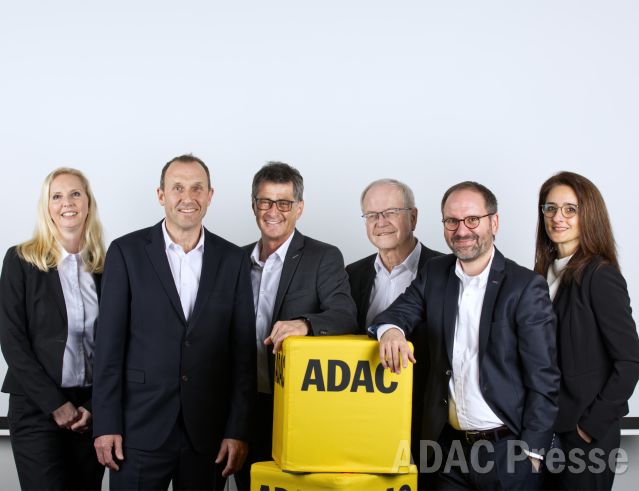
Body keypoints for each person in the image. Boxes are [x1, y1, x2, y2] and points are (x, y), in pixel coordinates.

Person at [370, 181, 560, 490]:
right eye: (452, 221)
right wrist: (391, 331)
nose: (461, 230)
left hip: (508, 451)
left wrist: (533, 453)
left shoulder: (524, 286)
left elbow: (544, 376)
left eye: (472, 219)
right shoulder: (435, 273)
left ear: (494, 222)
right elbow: (397, 313)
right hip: (449, 454)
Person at [92, 154, 256, 491]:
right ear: (161, 195)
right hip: (138, 428)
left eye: (197, 188)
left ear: (210, 195)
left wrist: (237, 429)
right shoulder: (126, 252)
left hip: (208, 433)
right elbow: (108, 347)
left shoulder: (233, 259)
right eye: (177, 187)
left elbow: (243, 354)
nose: (187, 197)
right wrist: (106, 423)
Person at [234, 161, 357, 490]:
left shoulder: (322, 257)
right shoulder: (234, 260)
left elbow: (346, 314)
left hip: (297, 409)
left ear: (299, 208)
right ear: (254, 206)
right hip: (241, 408)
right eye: (265, 201)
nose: (274, 211)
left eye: (284, 203)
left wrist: (305, 324)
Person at [0, 167, 106, 490]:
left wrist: (93, 406)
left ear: (88, 203)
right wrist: (55, 404)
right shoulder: (21, 261)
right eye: (56, 196)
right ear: (47, 206)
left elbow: (118, 344)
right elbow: (13, 341)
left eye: (75, 194)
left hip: (90, 411)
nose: (67, 203)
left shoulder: (106, 267)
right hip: (37, 407)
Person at [535, 171, 639, 490]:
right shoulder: (541, 275)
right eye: (550, 208)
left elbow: (630, 361)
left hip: (584, 437)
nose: (558, 217)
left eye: (570, 209)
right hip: (545, 431)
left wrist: (590, 427)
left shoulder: (600, 275)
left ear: (588, 215)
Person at [345, 178, 442, 482]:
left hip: (428, 421)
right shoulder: (351, 274)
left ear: (413, 217)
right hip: (366, 416)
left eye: (390, 212)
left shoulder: (445, 270)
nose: (380, 222)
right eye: (372, 215)